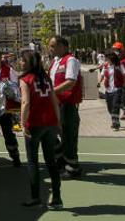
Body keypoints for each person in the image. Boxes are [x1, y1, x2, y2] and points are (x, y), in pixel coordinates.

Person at [18, 49, 62, 209]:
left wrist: (23, 124)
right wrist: (58, 122)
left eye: (22, 60)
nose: (20, 62)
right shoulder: (46, 78)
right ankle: (57, 198)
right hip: (50, 123)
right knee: (51, 161)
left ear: (28, 62)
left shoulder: (25, 79)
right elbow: (54, 101)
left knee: (32, 161)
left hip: (34, 124)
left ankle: (35, 197)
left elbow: (25, 103)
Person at [49, 36, 83, 178]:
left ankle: (72, 168)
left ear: (63, 46)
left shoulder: (71, 60)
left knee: (68, 136)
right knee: (52, 133)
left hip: (67, 105)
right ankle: (61, 160)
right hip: (56, 104)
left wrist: (51, 92)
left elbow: (70, 82)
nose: (50, 49)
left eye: (52, 46)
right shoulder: (55, 62)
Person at [98, 50, 125, 130]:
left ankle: (115, 123)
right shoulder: (106, 66)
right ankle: (114, 119)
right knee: (109, 108)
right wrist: (99, 82)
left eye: (106, 58)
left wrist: (121, 86)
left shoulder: (119, 65)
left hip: (117, 90)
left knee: (115, 106)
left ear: (111, 58)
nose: (105, 59)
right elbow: (102, 75)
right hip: (108, 91)